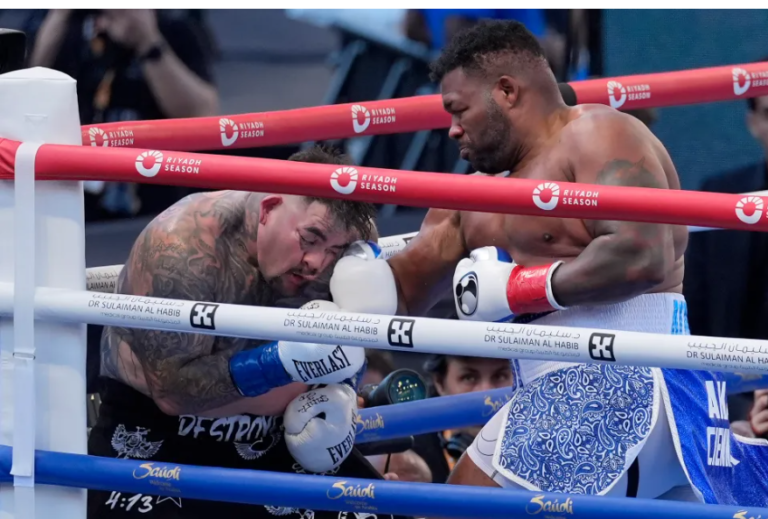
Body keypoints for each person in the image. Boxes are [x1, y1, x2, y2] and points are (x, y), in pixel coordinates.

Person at [329, 21, 768, 505]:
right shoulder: (468, 200)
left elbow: (643, 252)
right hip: (575, 394)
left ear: (507, 91)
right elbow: (400, 292)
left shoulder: (597, 132)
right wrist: (348, 270)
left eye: (460, 110)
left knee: (450, 512)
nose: (452, 129)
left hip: (622, 382)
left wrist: (520, 288)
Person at [88, 147, 406, 519]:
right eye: (310, 238)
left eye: (333, 250)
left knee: (381, 511)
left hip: (277, 432)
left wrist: (341, 396)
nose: (317, 261)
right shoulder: (182, 245)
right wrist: (278, 364)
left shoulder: (351, 238)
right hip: (160, 431)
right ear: (269, 209)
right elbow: (172, 392)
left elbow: (346, 343)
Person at [685, 64, 768, 422]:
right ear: (754, 123)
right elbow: (693, 320)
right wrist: (731, 413)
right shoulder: (718, 196)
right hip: (730, 408)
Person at [412, 355, 513, 483]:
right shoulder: (411, 451)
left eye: (500, 376)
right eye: (469, 378)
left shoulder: (540, 447)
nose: (486, 393)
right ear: (440, 383)